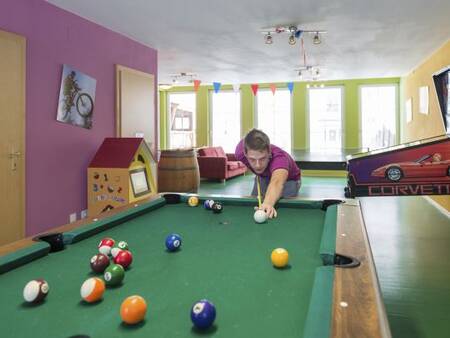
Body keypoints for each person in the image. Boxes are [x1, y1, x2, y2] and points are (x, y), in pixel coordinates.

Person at [235, 129, 301, 219]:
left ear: (269, 153)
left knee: (284, 211)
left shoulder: (279, 158)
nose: (257, 165)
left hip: (289, 181)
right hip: (263, 177)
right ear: (245, 154)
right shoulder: (239, 152)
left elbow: (277, 182)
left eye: (262, 159)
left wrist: (268, 203)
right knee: (254, 204)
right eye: (252, 160)